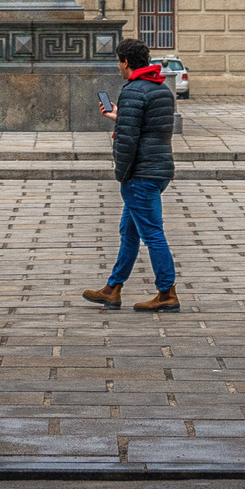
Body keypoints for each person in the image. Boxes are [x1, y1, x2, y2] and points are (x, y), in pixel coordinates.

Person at [83, 40, 181, 312]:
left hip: (141, 173)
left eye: (118, 61)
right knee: (129, 231)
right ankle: (113, 289)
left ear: (125, 62)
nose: (118, 66)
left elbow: (128, 140)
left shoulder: (133, 91)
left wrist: (121, 174)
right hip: (160, 169)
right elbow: (148, 128)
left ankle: (167, 293)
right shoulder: (160, 89)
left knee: (152, 234)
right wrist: (120, 117)